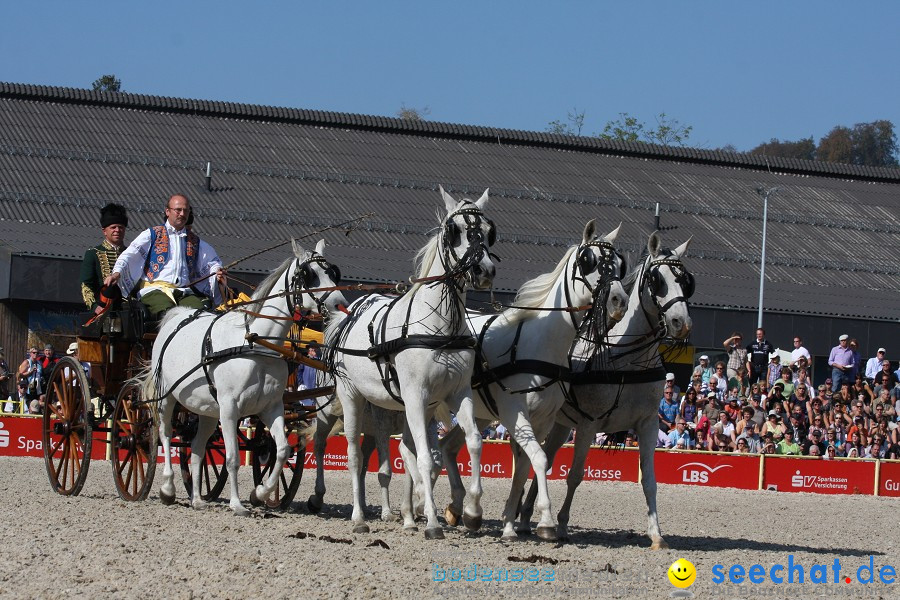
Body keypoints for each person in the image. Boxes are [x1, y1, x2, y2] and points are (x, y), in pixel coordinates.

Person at [105, 194, 224, 318]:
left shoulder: (195, 241)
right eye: (178, 210)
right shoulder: (152, 234)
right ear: (168, 211)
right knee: (169, 316)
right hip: (155, 290)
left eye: (185, 210)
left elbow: (212, 262)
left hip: (183, 292)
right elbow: (130, 254)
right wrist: (117, 273)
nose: (182, 214)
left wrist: (217, 271)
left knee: (202, 317)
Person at [80, 203, 128, 314]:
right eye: (113, 227)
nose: (117, 230)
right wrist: (94, 307)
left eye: (121, 227)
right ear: (104, 231)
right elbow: (86, 284)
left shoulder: (131, 254)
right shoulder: (93, 253)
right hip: (104, 306)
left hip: (128, 308)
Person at [19, 347, 43, 414]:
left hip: (36, 388)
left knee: (35, 405)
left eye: (37, 353)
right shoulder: (27, 362)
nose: (36, 354)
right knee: (28, 405)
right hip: (28, 388)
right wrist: (30, 372)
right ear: (30, 353)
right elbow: (20, 375)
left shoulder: (39, 363)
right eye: (34, 352)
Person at [0, 348, 12, 413]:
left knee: (3, 409)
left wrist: (8, 376)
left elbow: (7, 372)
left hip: (3, 391)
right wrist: (1, 378)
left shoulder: (4, 365)